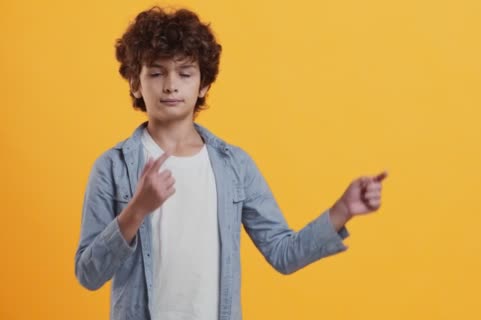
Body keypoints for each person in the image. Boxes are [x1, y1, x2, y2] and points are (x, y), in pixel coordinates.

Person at [74, 6, 387, 320]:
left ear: (204, 84)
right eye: (156, 73)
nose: (171, 85)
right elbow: (88, 274)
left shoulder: (234, 166)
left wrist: (342, 210)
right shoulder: (112, 168)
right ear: (135, 83)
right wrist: (137, 209)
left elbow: (283, 253)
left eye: (185, 73)